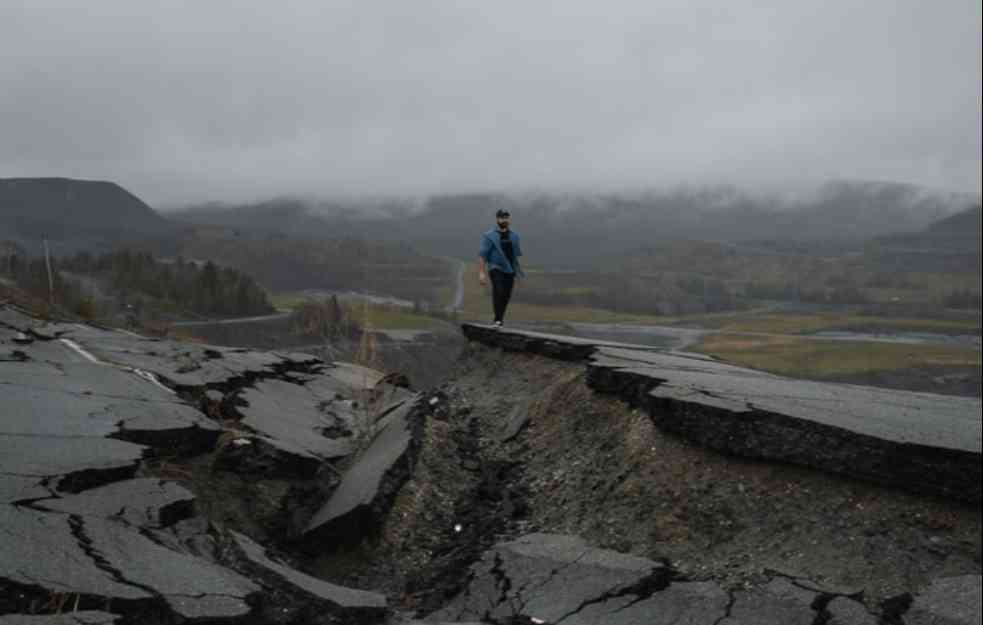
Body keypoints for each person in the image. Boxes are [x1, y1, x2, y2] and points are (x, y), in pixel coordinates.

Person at [478, 208, 524, 328]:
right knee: (498, 290)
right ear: (497, 219)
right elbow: (482, 255)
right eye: (502, 217)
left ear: (509, 219)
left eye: (506, 217)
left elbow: (515, 257)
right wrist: (481, 273)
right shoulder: (489, 236)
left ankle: (499, 319)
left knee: (506, 295)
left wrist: (518, 273)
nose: (504, 219)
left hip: (510, 270)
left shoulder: (514, 236)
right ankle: (497, 320)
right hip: (495, 268)